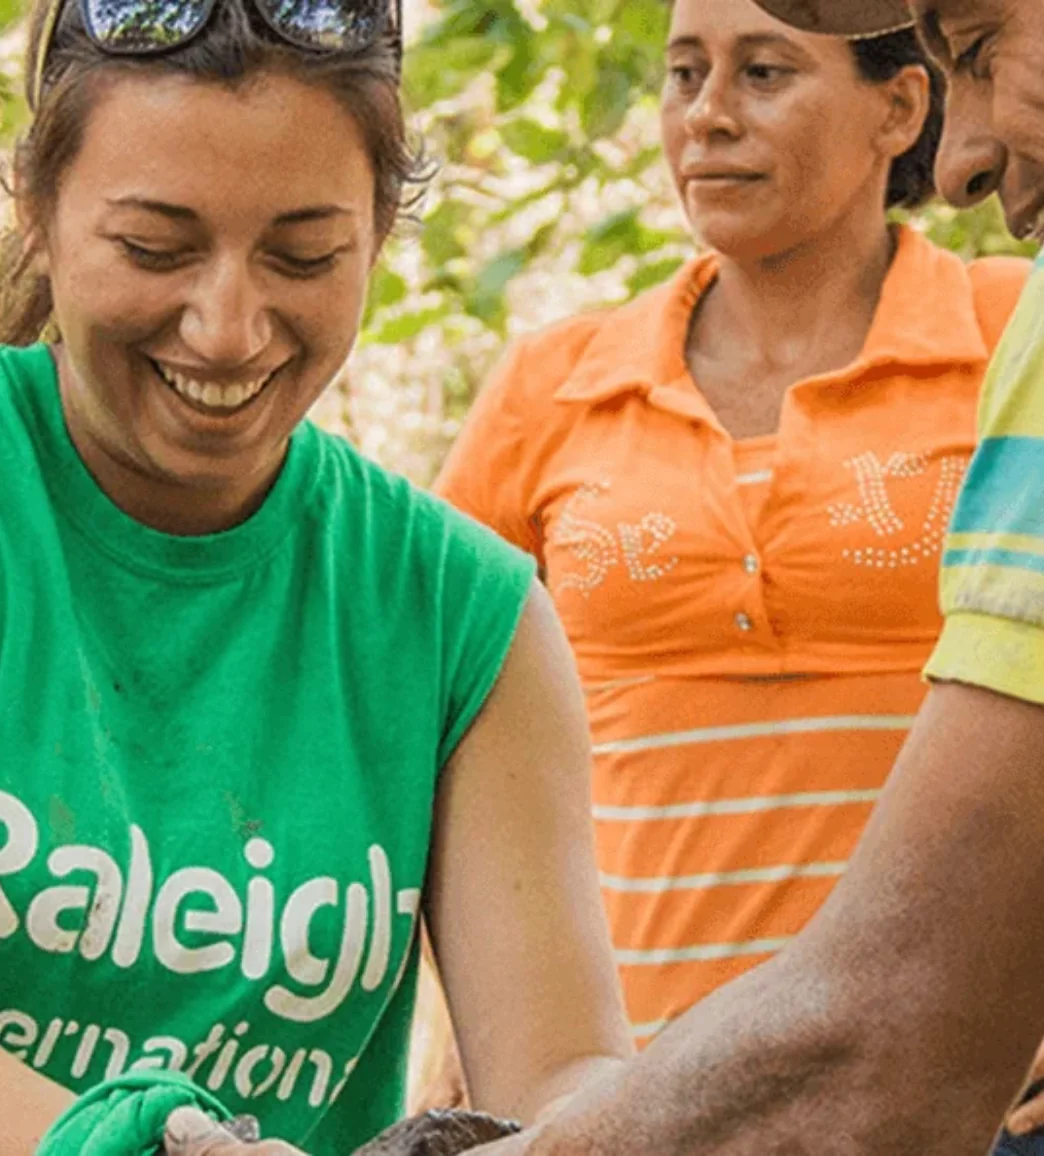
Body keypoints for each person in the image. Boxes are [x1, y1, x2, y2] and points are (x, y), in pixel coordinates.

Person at [0, 0, 634, 1150]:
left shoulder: (459, 615)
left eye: (304, 257)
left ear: (381, 237)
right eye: (155, 249)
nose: (230, 327)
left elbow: (559, 1067)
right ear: (36, 209)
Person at [473, 0, 1044, 1152]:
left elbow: (895, 1030)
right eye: (683, 75)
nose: (708, 116)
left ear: (900, 107)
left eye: (766, 72)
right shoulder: (556, 381)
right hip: (638, 1095)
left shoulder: (1005, 329)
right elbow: (422, 726)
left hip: (960, 1093)